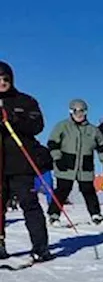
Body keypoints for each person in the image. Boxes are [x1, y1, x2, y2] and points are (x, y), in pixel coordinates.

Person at [0, 61, 54, 263]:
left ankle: (41, 247)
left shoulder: (25, 100)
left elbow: (37, 124)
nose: (2, 82)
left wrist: (14, 119)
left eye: (6, 78)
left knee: (29, 204)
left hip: (21, 163)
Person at [46, 99, 103, 225]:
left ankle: (95, 214)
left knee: (88, 190)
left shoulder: (93, 130)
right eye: (76, 111)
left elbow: (102, 147)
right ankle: (53, 215)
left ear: (86, 112)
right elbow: (52, 142)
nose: (79, 114)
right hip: (66, 163)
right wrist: (57, 157)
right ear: (71, 112)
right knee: (63, 189)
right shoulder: (62, 126)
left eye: (82, 111)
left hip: (85, 165)